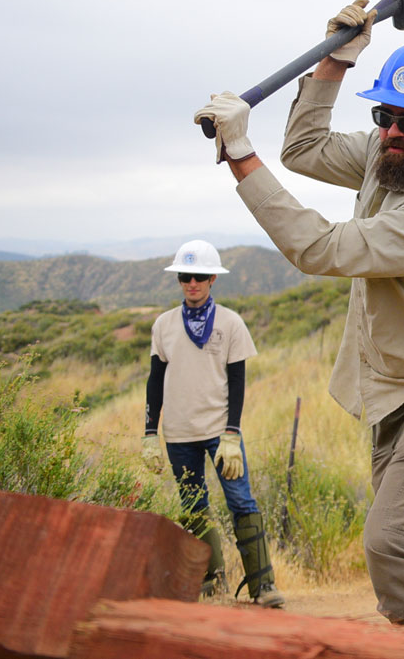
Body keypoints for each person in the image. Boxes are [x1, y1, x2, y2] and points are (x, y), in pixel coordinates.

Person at [192, 0, 404, 631]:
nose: (393, 131)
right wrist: (337, 62)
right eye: (384, 115)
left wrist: (238, 152)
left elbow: (323, 249)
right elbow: (305, 146)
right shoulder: (386, 156)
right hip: (399, 390)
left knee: (393, 543)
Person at [142, 239, 284, 608]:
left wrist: (233, 433)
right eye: (185, 276)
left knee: (241, 501)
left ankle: (263, 586)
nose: (192, 283)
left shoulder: (231, 323)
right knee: (193, 506)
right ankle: (211, 582)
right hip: (178, 433)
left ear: (212, 280)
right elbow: (155, 380)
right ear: (179, 280)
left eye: (200, 276)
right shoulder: (164, 325)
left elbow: (237, 381)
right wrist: (148, 433)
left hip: (220, 434)